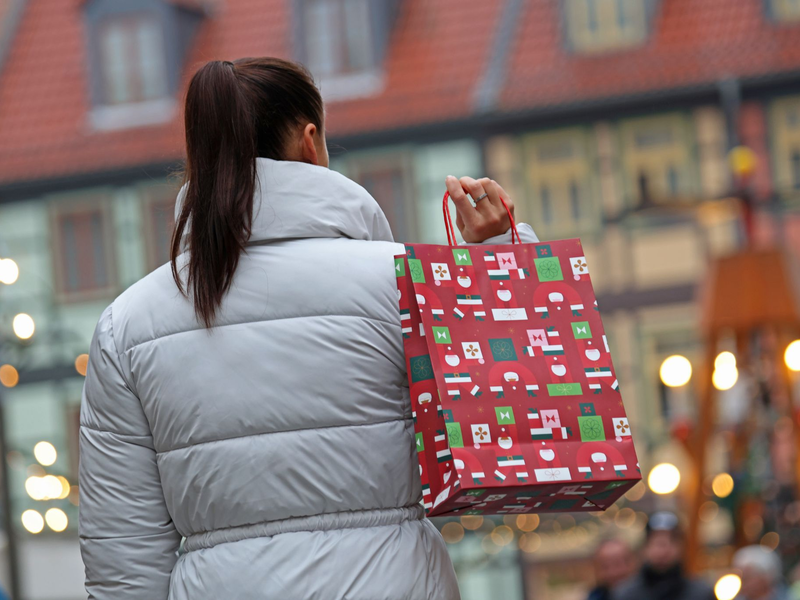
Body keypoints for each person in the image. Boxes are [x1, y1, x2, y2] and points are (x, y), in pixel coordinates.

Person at [77, 57, 538, 600]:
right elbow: (516, 421)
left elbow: (123, 555)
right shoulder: (401, 284)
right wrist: (497, 259)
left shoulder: (127, 325)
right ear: (309, 140)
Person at [614, 511, 715, 600]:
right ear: (645, 547)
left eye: (672, 541)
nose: (664, 549)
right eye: (657, 542)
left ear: (682, 547)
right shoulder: (625, 595)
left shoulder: (702, 594)